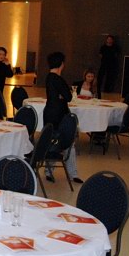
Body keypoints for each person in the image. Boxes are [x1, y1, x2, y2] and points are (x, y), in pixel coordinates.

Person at [43, 51, 83, 184]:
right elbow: (69, 97)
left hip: (49, 112)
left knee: (52, 140)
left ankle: (49, 171)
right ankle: (72, 174)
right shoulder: (58, 79)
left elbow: (61, 96)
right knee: (68, 142)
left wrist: (60, 96)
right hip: (60, 114)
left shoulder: (49, 77)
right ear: (61, 64)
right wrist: (61, 96)